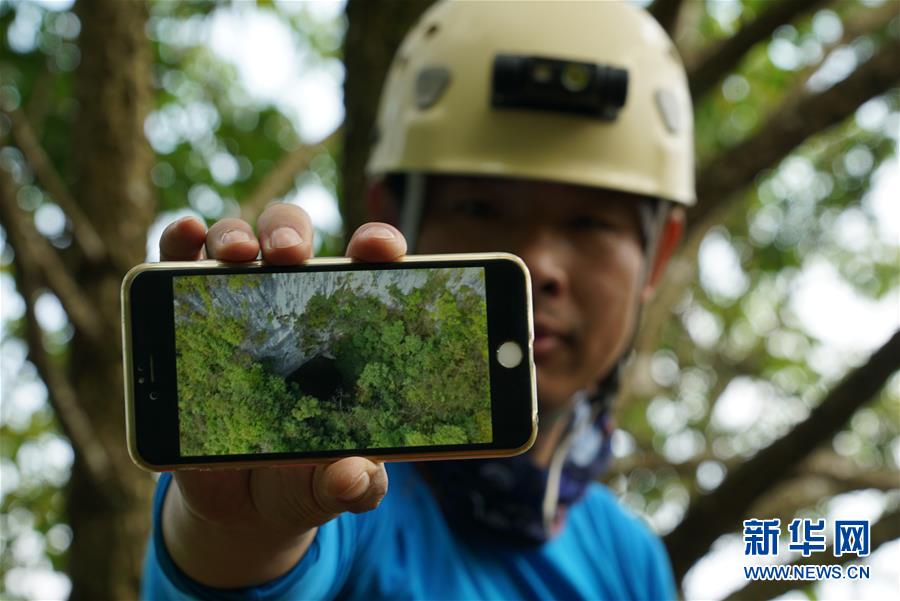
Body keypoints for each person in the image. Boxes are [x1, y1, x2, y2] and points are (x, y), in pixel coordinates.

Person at [143, 1, 693, 598]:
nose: (539, 267)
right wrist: (241, 532)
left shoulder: (632, 562)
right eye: (480, 208)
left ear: (658, 256)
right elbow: (243, 554)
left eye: (590, 223)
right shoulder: (325, 483)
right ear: (388, 215)